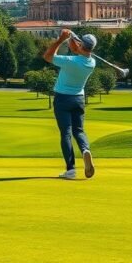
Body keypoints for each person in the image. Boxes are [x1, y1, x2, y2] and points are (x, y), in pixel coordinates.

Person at [42, 29, 97, 180]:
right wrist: (72, 37)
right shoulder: (92, 62)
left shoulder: (69, 61)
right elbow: (76, 49)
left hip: (62, 99)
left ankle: (71, 169)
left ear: (81, 45)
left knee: (66, 133)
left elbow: (47, 56)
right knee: (79, 131)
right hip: (78, 99)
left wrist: (61, 39)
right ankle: (85, 150)